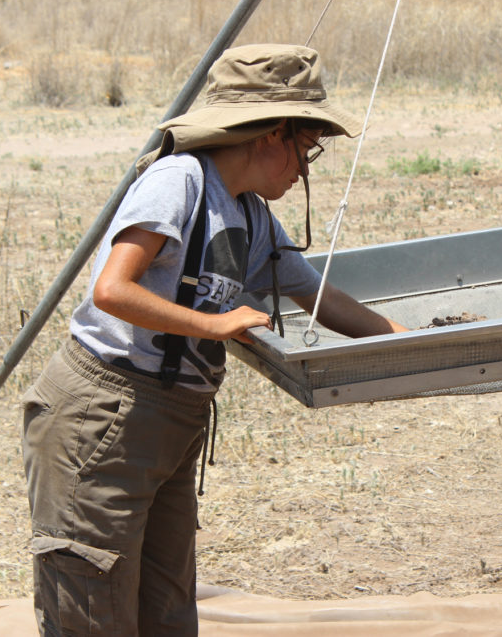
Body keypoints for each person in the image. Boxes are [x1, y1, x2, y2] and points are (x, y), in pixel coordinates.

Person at [20, 43, 408, 636]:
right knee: (93, 608)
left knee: (167, 606)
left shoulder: (252, 215)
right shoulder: (181, 181)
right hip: (104, 415)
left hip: (171, 420)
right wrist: (213, 325)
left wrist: (406, 344)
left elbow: (323, 298)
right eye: (307, 149)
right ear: (271, 134)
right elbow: (112, 290)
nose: (305, 169)